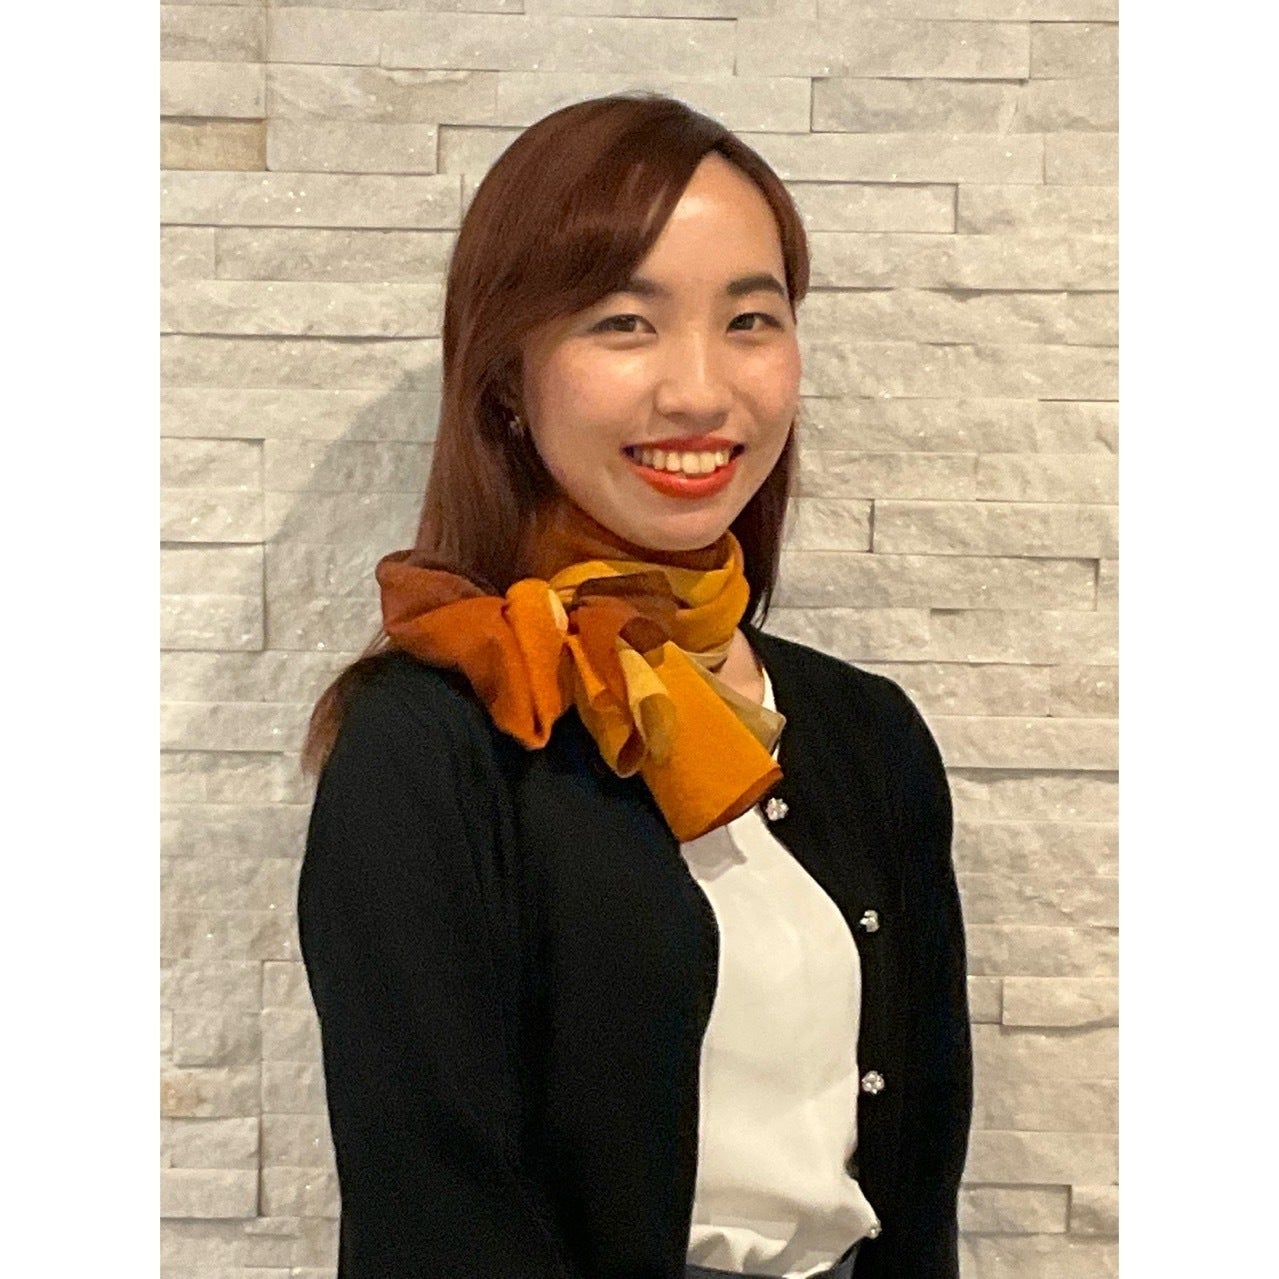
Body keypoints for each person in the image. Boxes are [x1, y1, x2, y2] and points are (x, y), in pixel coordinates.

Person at [297, 93, 972, 1279]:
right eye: (624, 322)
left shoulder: (869, 734)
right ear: (506, 379)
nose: (699, 392)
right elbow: (434, 1216)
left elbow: (918, 1188)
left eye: (750, 319)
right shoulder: (429, 740)